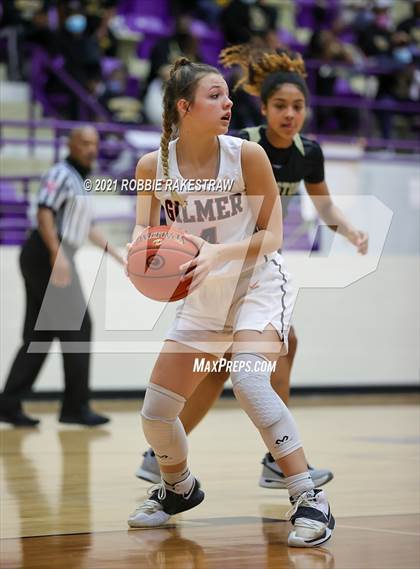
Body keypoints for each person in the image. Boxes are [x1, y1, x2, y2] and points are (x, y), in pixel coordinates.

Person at [136, 45, 368, 491]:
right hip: (213, 278)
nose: (290, 114)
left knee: (267, 356)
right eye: (281, 105)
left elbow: (322, 208)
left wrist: (352, 232)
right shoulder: (235, 144)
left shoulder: (304, 153)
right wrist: (154, 258)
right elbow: (154, 218)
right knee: (229, 366)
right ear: (264, 108)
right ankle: (170, 456)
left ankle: (279, 461)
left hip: (255, 266)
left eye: (298, 106)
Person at [0, 126, 124, 427]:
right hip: (46, 252)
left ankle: (8, 403)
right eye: (84, 143)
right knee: (79, 328)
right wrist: (57, 254)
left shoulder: (82, 182)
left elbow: (87, 227)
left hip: (47, 254)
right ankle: (75, 407)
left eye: (94, 143)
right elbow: (45, 212)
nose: (91, 148)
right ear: (70, 145)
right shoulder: (60, 173)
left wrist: (118, 254)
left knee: (38, 336)